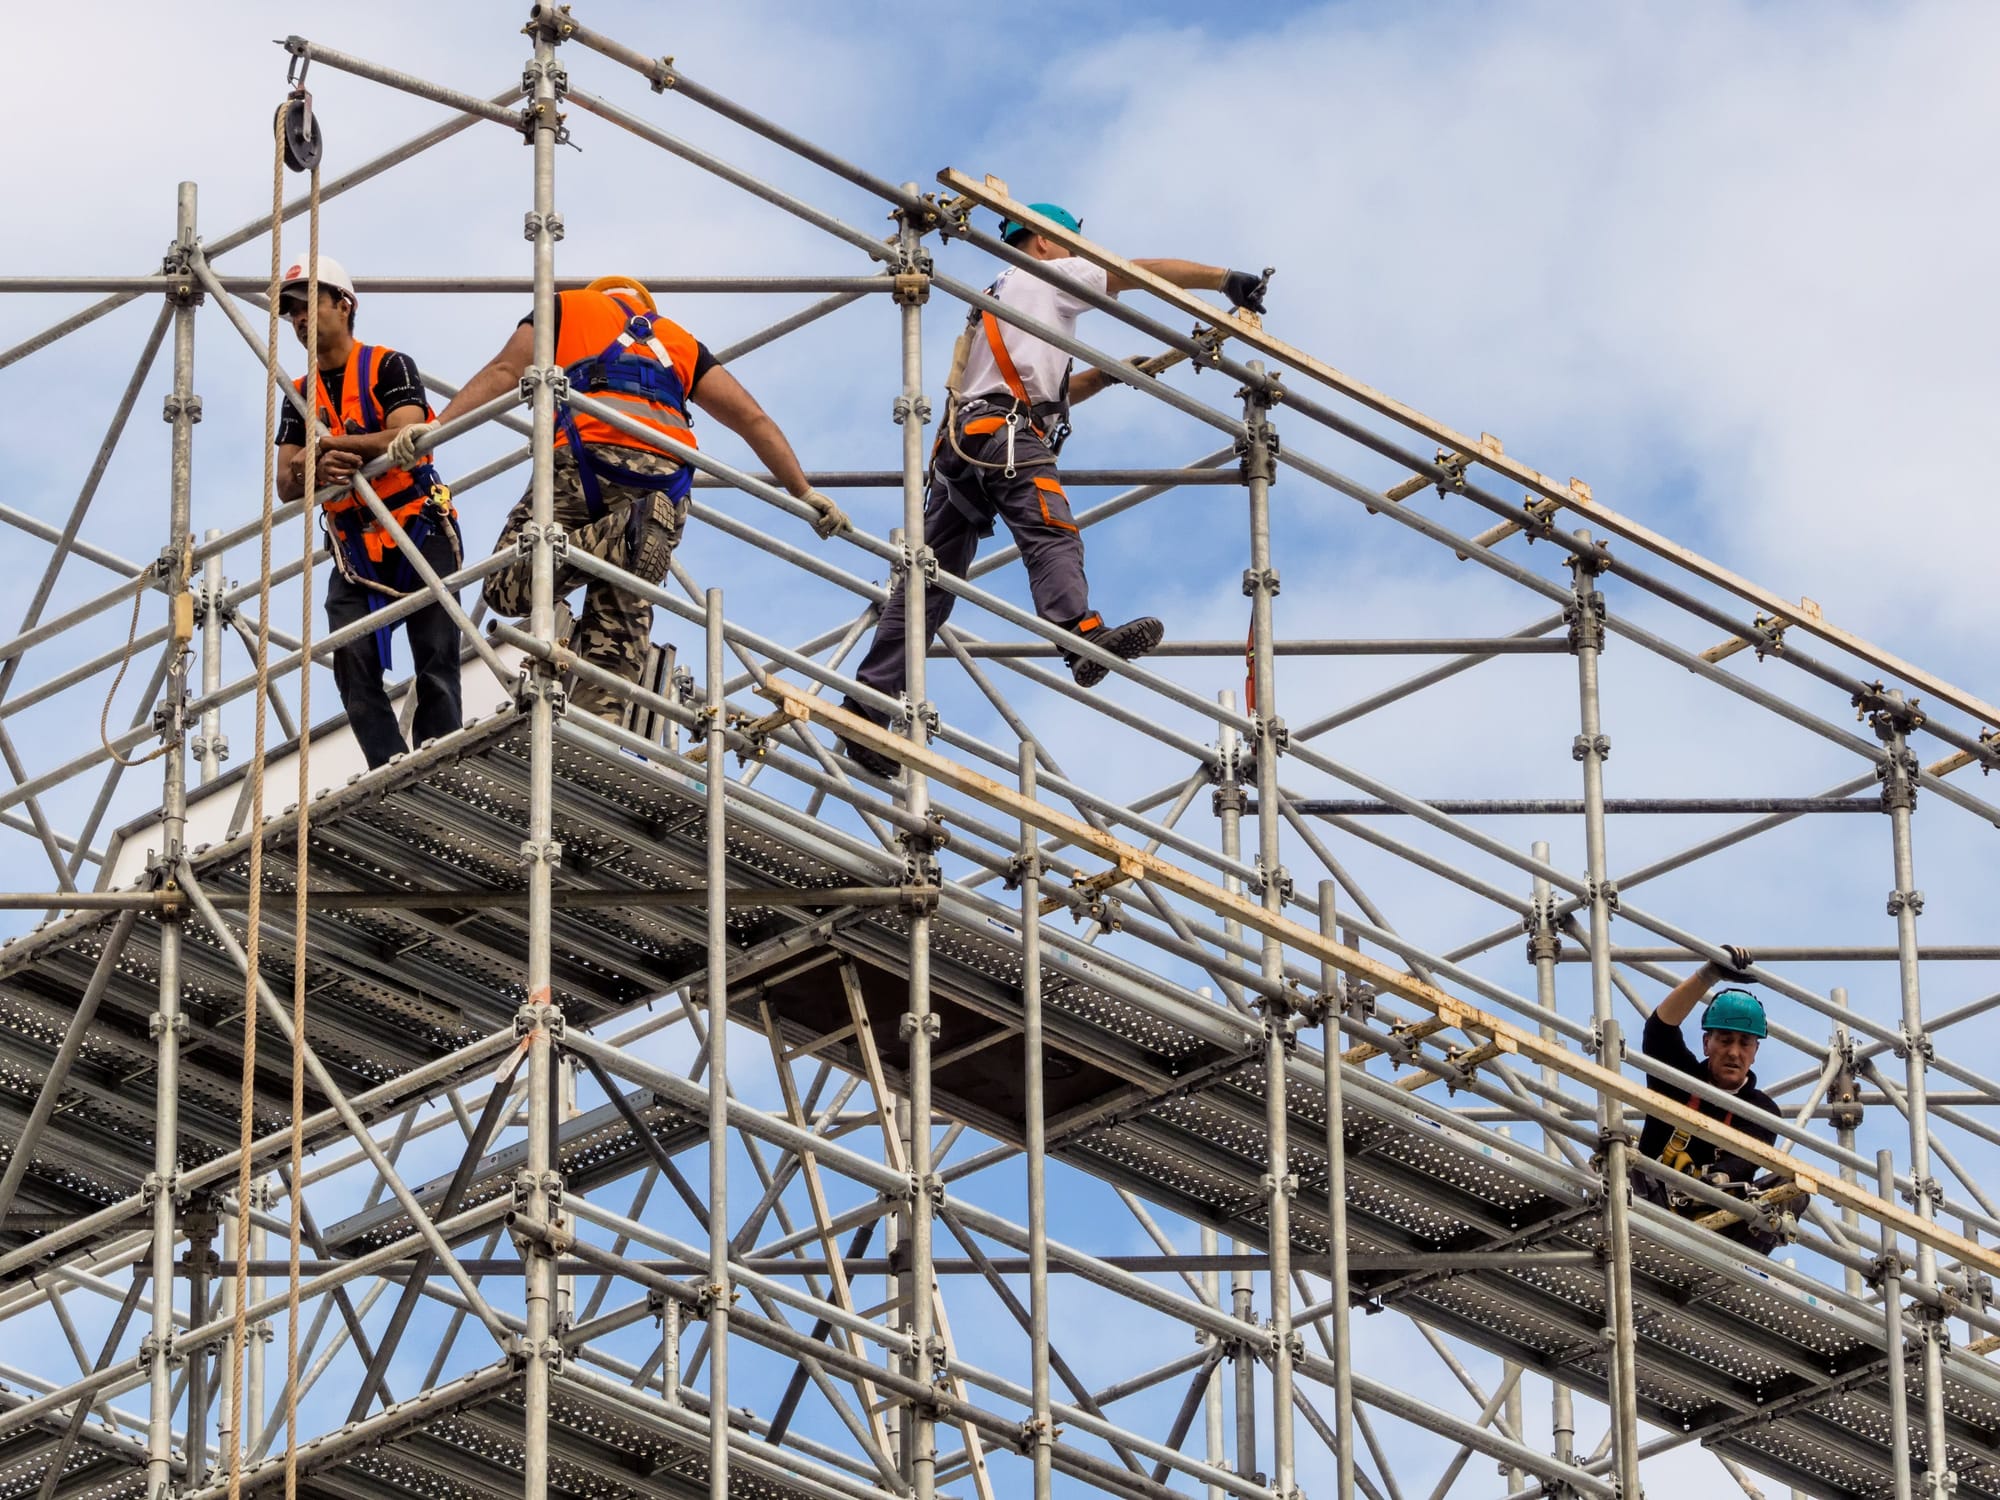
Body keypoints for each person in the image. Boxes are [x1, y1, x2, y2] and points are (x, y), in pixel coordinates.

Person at [837, 202, 1272, 778]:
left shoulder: (999, 295)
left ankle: (866, 706)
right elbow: (1134, 273)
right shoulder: (1048, 274)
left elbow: (1036, 391)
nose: (1076, 255)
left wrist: (1105, 375)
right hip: (1006, 438)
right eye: (1068, 243)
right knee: (1051, 531)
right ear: (1041, 241)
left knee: (927, 587)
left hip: (964, 447)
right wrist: (1224, 280)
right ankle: (1079, 635)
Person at [392, 276, 847, 724]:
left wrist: (438, 429)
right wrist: (803, 493)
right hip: (665, 486)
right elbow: (753, 418)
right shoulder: (680, 342)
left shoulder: (567, 307)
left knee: (503, 584)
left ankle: (626, 534)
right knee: (619, 628)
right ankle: (595, 737)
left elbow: (505, 371)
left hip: (586, 462)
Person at [278, 255, 463, 769]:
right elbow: (284, 483)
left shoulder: (389, 365)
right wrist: (315, 464)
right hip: (354, 545)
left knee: (435, 656)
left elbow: (410, 435)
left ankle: (441, 765)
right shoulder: (298, 395)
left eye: (305, 305)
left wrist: (337, 446)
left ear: (344, 304)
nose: (297, 319)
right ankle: (389, 767)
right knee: (353, 662)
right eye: (289, 312)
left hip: (417, 526)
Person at [1633, 945, 1796, 1254]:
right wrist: (1709, 974)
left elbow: (1744, 1162)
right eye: (1724, 1040)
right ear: (1707, 1043)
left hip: (1716, 1224)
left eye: (1744, 1043)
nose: (1734, 1052)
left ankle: (1740, 1262)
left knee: (1791, 1191)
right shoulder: (1679, 1079)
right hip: (1649, 1204)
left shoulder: (1762, 1110)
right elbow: (1659, 1030)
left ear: (1754, 1052)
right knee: (1621, 1158)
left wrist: (1717, 1181)